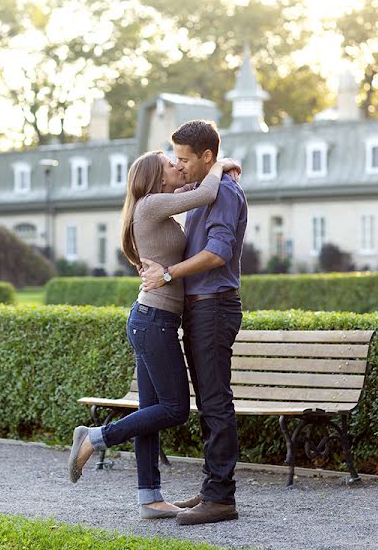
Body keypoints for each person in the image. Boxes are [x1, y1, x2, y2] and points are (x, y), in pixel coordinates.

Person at [68, 149, 239, 520]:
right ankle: (95, 438)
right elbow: (206, 193)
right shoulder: (149, 205)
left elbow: (194, 188)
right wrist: (222, 164)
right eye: (170, 164)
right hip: (154, 320)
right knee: (174, 409)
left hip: (151, 319)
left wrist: (208, 169)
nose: (178, 166)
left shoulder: (158, 203)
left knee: (151, 410)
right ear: (157, 179)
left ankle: (149, 497)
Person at [140, 119, 248, 526]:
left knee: (216, 401)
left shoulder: (223, 193)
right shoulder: (206, 188)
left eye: (185, 159)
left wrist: (169, 274)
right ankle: (211, 489)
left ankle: (221, 498)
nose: (180, 166)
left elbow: (218, 252)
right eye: (176, 159)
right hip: (202, 307)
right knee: (208, 402)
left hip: (215, 306)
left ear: (206, 157)